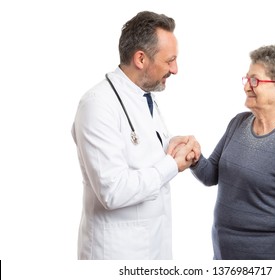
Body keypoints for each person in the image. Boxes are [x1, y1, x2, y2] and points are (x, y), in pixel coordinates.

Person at [71, 11, 199, 260]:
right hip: (116, 254)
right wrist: (172, 164)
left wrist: (171, 145)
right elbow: (113, 191)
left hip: (153, 249)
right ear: (141, 58)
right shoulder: (97, 105)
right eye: (170, 60)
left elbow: (142, 151)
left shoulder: (144, 95)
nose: (175, 69)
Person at [187, 44, 275, 259]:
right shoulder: (238, 123)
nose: (246, 87)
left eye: (255, 80)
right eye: (246, 79)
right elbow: (210, 174)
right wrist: (194, 157)